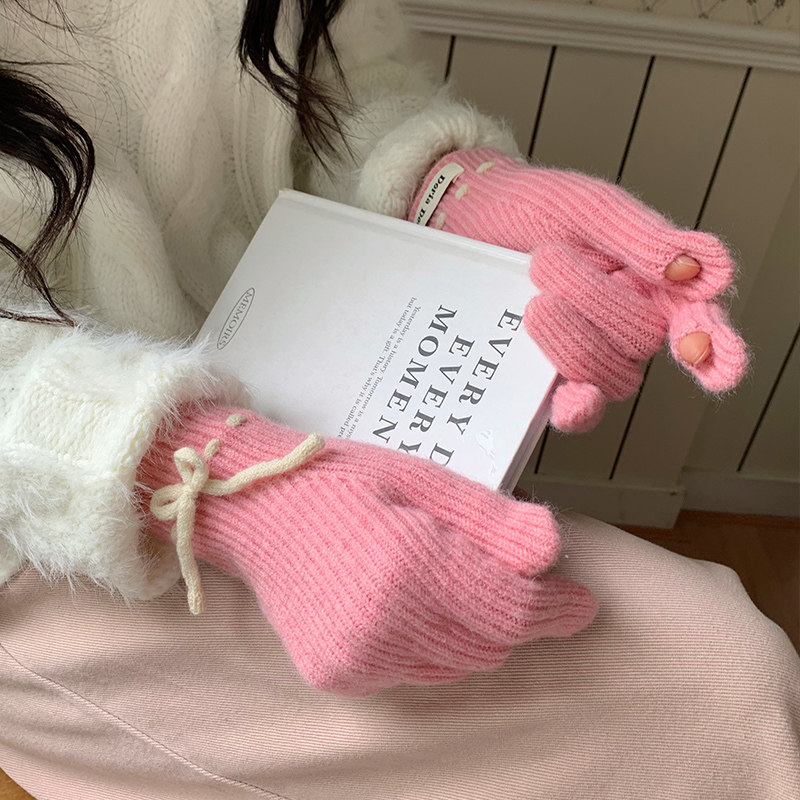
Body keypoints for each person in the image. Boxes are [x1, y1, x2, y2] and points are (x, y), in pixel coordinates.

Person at [0, 0, 796, 797]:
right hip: (54, 531)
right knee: (729, 688)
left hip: (296, 383)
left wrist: (448, 191)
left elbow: (337, 75)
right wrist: (210, 476)